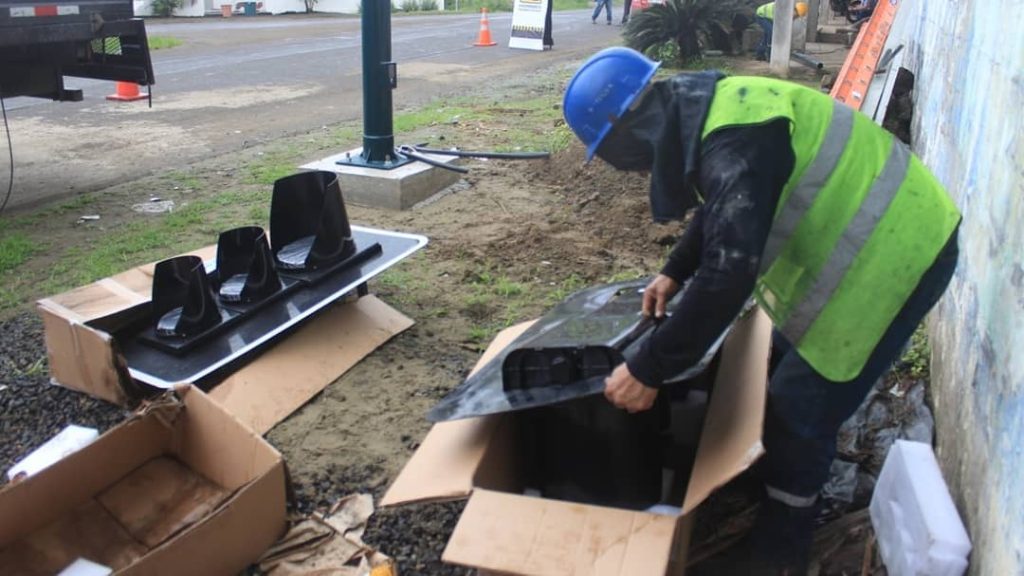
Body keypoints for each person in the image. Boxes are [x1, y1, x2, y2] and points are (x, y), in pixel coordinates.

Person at [562, 47, 961, 575]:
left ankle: (780, 553)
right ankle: (768, 478)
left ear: (631, 133)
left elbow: (729, 274)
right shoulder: (718, 108)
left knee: (800, 411)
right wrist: (676, 269)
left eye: (627, 161)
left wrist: (647, 368)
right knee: (785, 370)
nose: (637, 173)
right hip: (873, 236)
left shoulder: (735, 142)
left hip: (899, 251)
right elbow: (722, 205)